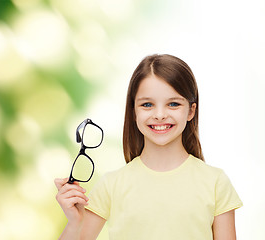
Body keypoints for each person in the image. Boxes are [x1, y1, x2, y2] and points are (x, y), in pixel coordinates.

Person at [54, 54, 243, 240]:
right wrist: (74, 223)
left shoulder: (216, 182)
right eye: (147, 104)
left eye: (173, 104)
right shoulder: (111, 185)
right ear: (133, 111)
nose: (160, 115)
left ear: (191, 111)